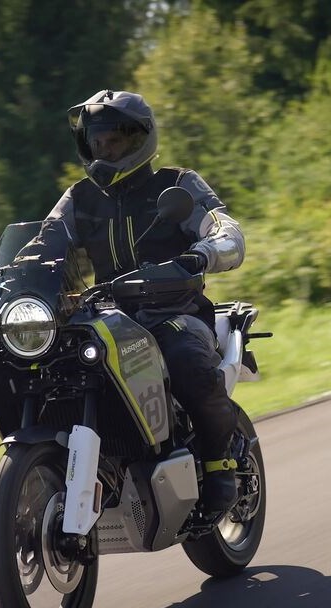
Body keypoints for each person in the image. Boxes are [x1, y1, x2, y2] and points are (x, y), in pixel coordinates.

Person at [43, 89, 245, 512]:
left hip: (173, 313)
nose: (104, 149)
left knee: (187, 361)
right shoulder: (79, 198)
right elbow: (44, 245)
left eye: (114, 140)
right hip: (106, 320)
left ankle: (220, 464)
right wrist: (11, 276)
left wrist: (201, 254)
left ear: (139, 139)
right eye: (97, 141)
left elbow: (227, 233)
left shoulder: (177, 184)